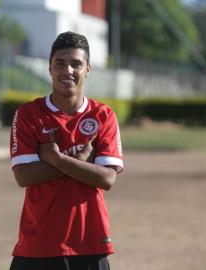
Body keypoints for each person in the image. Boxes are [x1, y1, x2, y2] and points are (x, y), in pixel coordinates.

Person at [9, 31, 124, 270]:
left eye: (76, 64)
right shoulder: (28, 115)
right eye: (60, 63)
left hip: (90, 244)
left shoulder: (103, 116)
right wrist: (81, 161)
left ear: (88, 69)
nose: (68, 70)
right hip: (38, 245)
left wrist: (56, 158)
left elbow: (106, 178)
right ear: (50, 68)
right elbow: (24, 176)